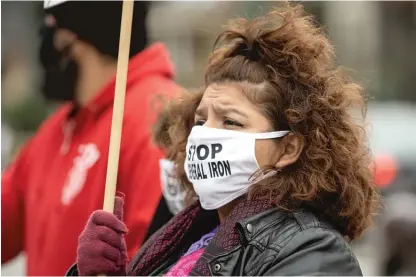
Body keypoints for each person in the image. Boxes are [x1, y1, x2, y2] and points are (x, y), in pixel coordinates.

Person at [68, 3, 380, 276]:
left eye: (230, 121)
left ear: (287, 148)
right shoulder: (184, 236)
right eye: (202, 120)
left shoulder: (313, 252)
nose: (206, 135)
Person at [1, 1, 180, 275]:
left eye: (50, 27)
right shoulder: (58, 128)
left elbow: (159, 257)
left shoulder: (159, 116)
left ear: (71, 36)